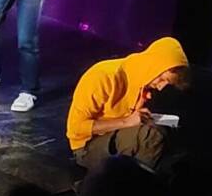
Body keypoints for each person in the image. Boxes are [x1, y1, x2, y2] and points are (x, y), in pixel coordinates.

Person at [66, 37, 190, 173]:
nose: (161, 87)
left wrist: (139, 115)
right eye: (162, 79)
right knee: (149, 135)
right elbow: (76, 127)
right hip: (87, 147)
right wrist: (127, 121)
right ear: (153, 65)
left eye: (166, 83)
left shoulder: (143, 80)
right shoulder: (104, 76)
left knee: (168, 128)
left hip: (117, 134)